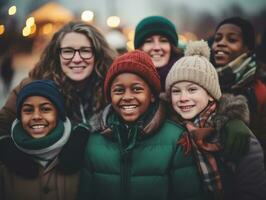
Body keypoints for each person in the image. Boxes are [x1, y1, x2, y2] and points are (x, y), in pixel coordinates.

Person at [77, 50, 215, 200]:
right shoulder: (95, 140)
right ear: (110, 96)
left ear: (152, 96)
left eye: (137, 89)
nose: (127, 97)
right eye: (119, 90)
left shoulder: (176, 138)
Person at [164, 40, 266, 199]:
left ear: (211, 95)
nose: (183, 98)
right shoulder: (170, 129)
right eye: (176, 91)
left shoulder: (234, 135)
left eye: (192, 89)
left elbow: (252, 191)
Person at [0, 21, 117, 137]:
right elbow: (3, 124)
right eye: (68, 51)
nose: (76, 59)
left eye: (85, 51)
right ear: (56, 55)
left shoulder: (114, 88)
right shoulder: (33, 87)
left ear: (97, 54)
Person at [0, 80, 83, 200]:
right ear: (19, 117)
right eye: (28, 110)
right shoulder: (4, 163)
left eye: (45, 109)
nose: (36, 116)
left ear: (58, 114)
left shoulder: (81, 153)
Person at [211, 16, 266, 165]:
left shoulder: (261, 90)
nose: (221, 44)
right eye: (217, 39)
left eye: (232, 39)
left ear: (247, 48)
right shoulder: (203, 80)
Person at [134, 16, 183, 91]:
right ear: (140, 48)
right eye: (149, 41)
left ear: (172, 47)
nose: (157, 47)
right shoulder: (128, 79)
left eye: (163, 41)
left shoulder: (189, 78)